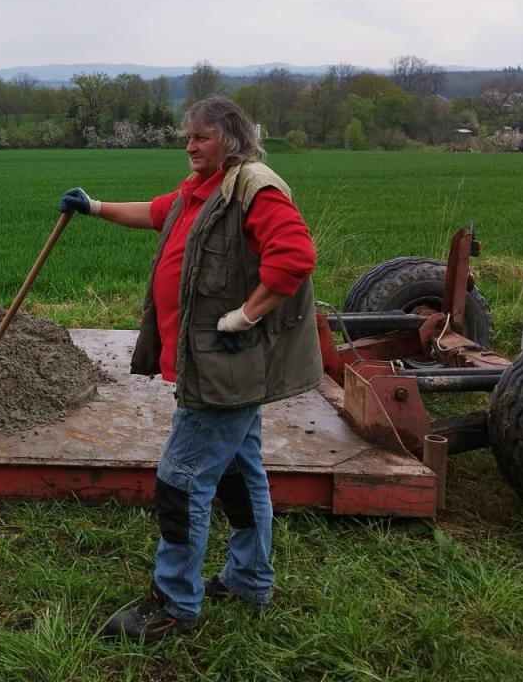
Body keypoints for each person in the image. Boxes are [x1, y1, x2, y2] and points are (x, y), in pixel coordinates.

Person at [60, 95, 322, 643]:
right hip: (211, 361)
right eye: (188, 137)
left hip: (224, 365)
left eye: (201, 137)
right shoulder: (199, 193)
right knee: (239, 474)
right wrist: (95, 206)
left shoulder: (255, 190)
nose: (190, 146)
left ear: (231, 139)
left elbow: (294, 257)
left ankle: (175, 603)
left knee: (179, 480)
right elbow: (154, 213)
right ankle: (249, 580)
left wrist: (245, 316)